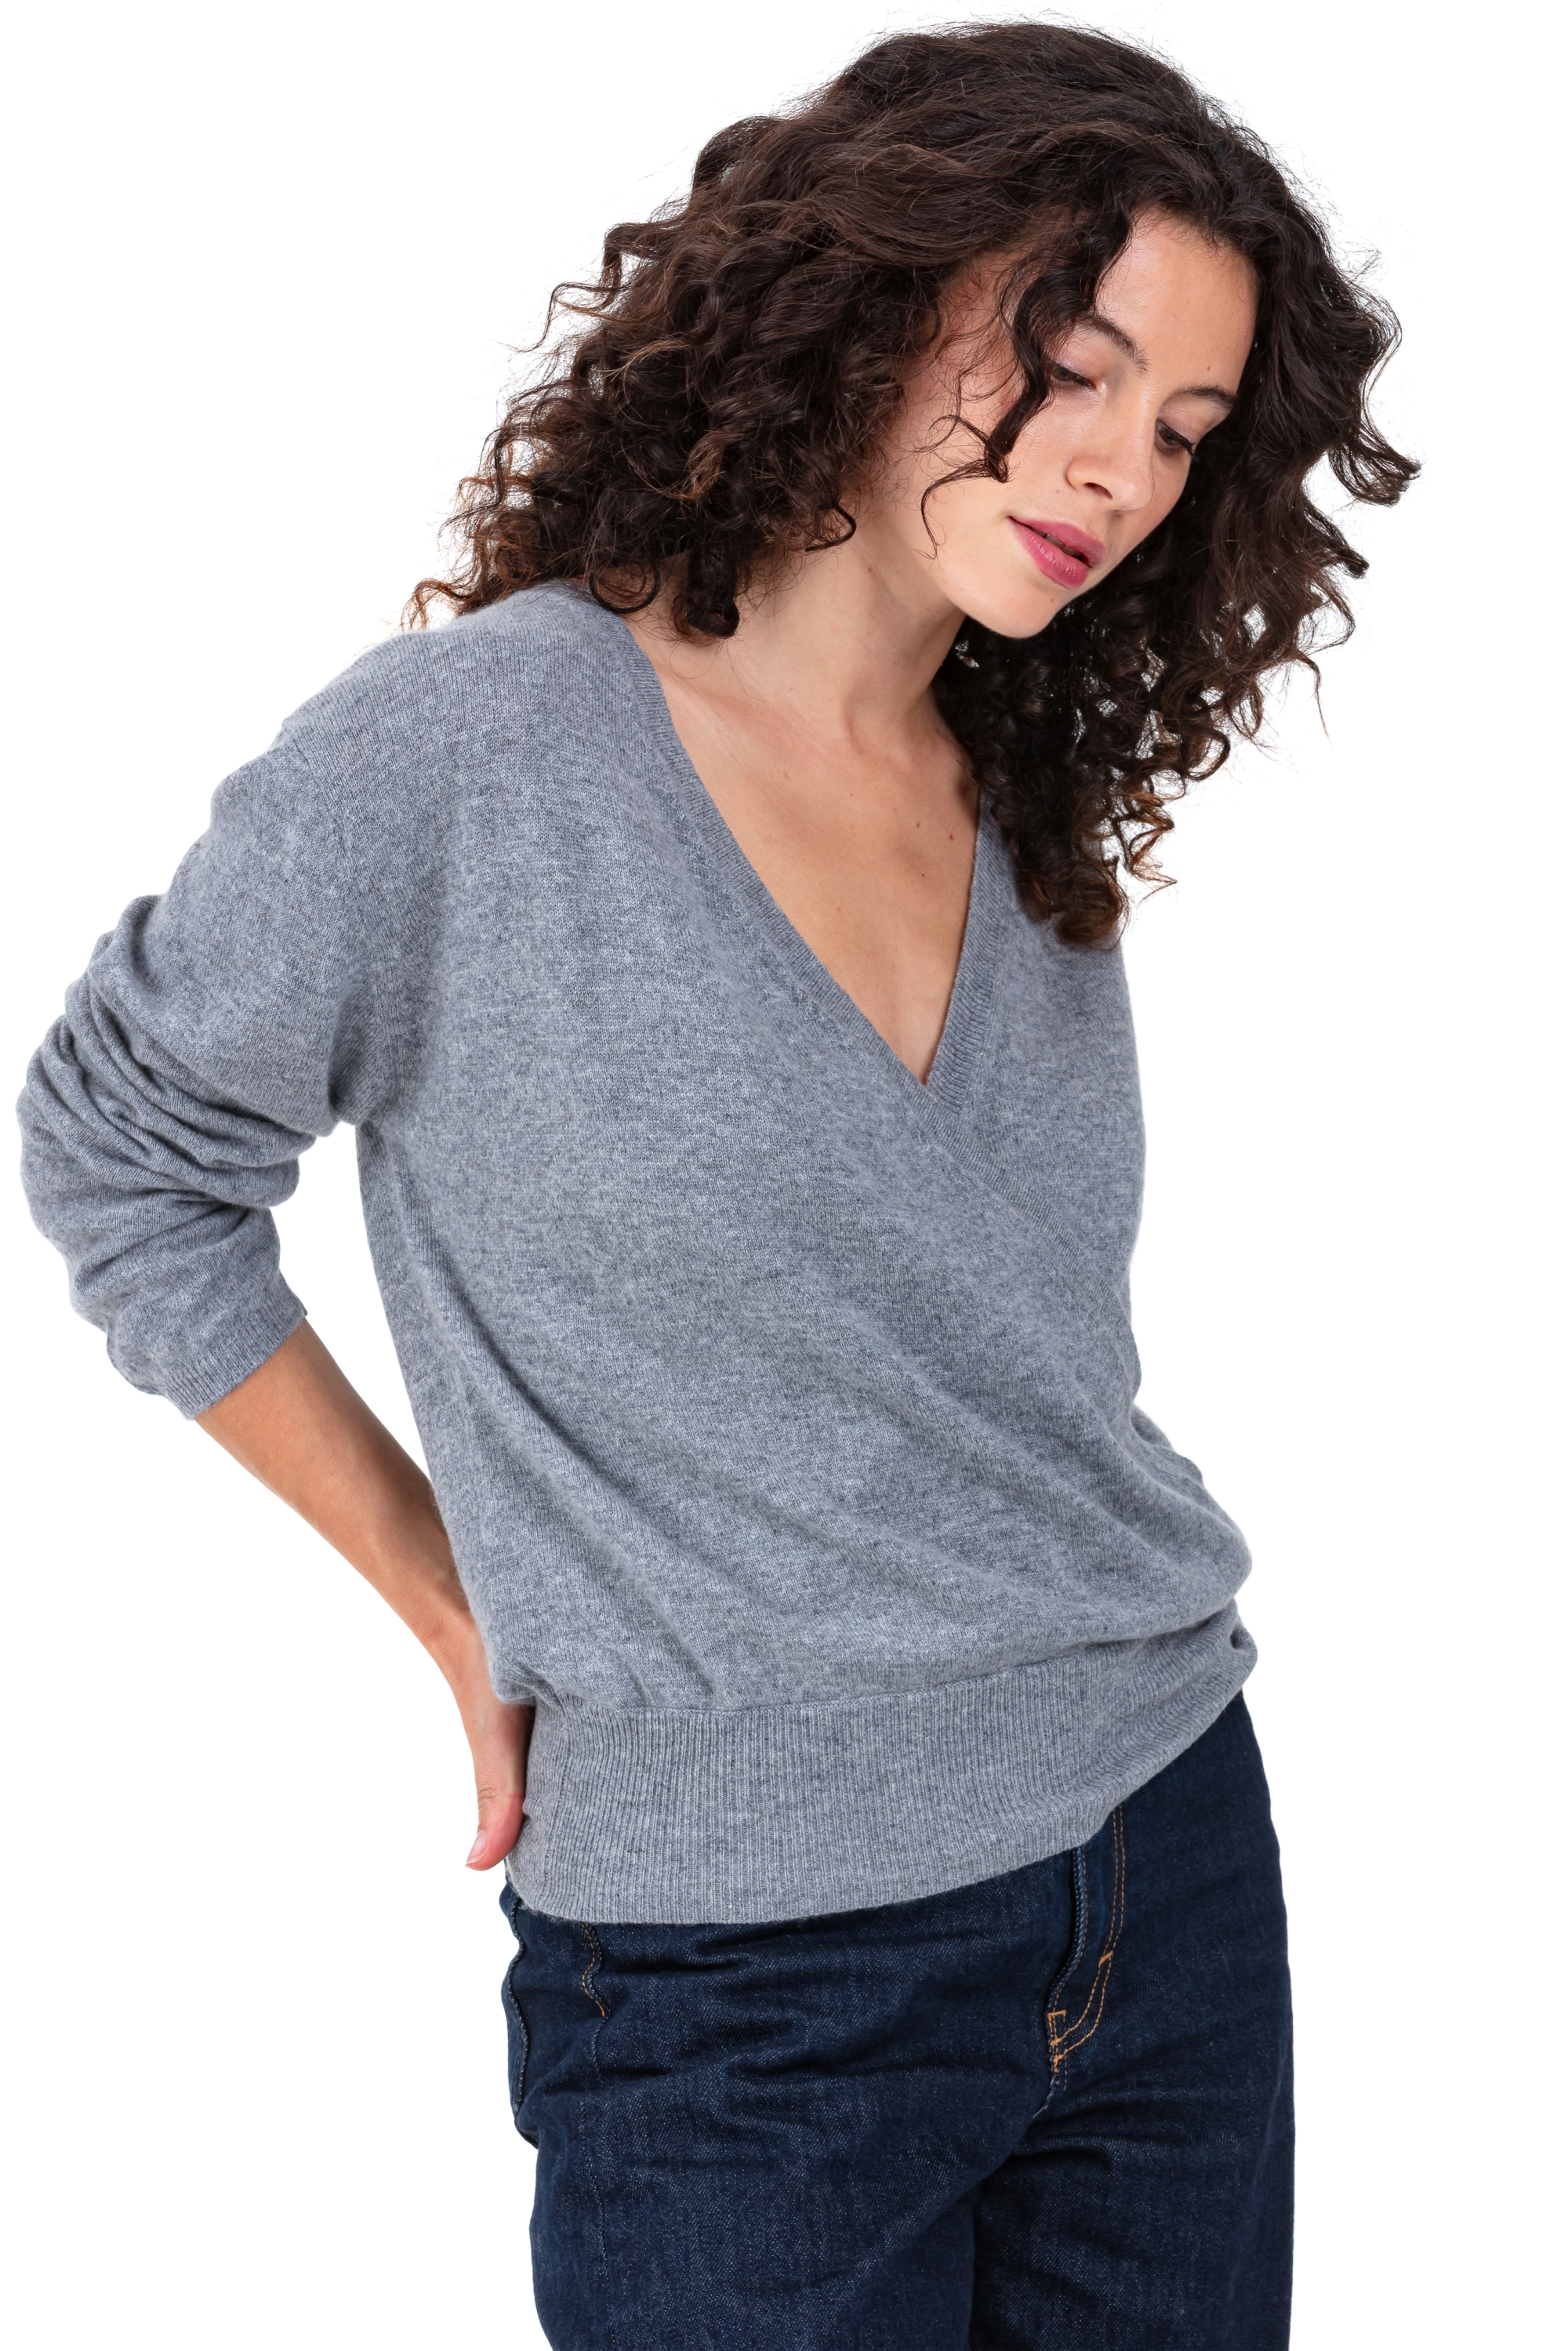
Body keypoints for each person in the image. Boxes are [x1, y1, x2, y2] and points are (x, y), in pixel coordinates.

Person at [16, 21, 1415, 2348]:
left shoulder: (1021, 803)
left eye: (1181, 430)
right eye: (1071, 368)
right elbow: (121, 1149)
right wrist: (449, 1595)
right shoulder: (478, 751)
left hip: (1165, 1862)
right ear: (871, 296)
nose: (1117, 470)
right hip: (749, 1980)